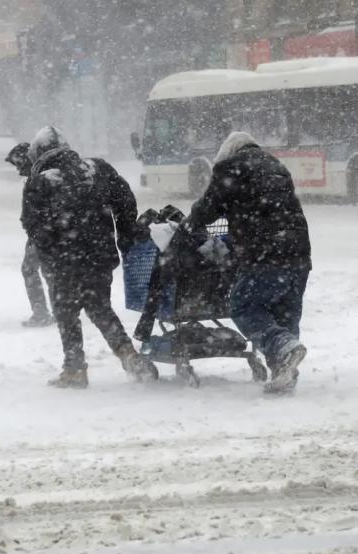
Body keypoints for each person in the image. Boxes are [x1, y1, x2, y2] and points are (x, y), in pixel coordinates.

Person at [21, 126, 157, 388]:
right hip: (99, 255)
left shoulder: (39, 182)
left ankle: (75, 369)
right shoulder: (98, 169)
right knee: (99, 307)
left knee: (66, 312)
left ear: (40, 153)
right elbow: (125, 200)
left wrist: (51, 248)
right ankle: (128, 355)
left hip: (64, 262)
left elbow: (33, 226)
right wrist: (124, 234)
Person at [185, 132, 311, 394]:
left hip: (264, 253)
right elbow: (268, 209)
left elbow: (208, 208)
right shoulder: (277, 166)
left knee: (243, 305)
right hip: (298, 254)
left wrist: (188, 226)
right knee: (284, 313)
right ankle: (284, 372)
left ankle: (282, 348)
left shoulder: (230, 167)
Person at [5, 142, 54, 328]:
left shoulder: (38, 179)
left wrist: (35, 228)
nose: (18, 170)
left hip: (42, 234)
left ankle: (41, 313)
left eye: (19, 164)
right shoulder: (42, 175)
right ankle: (59, 311)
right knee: (50, 272)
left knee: (30, 269)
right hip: (44, 233)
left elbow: (40, 210)